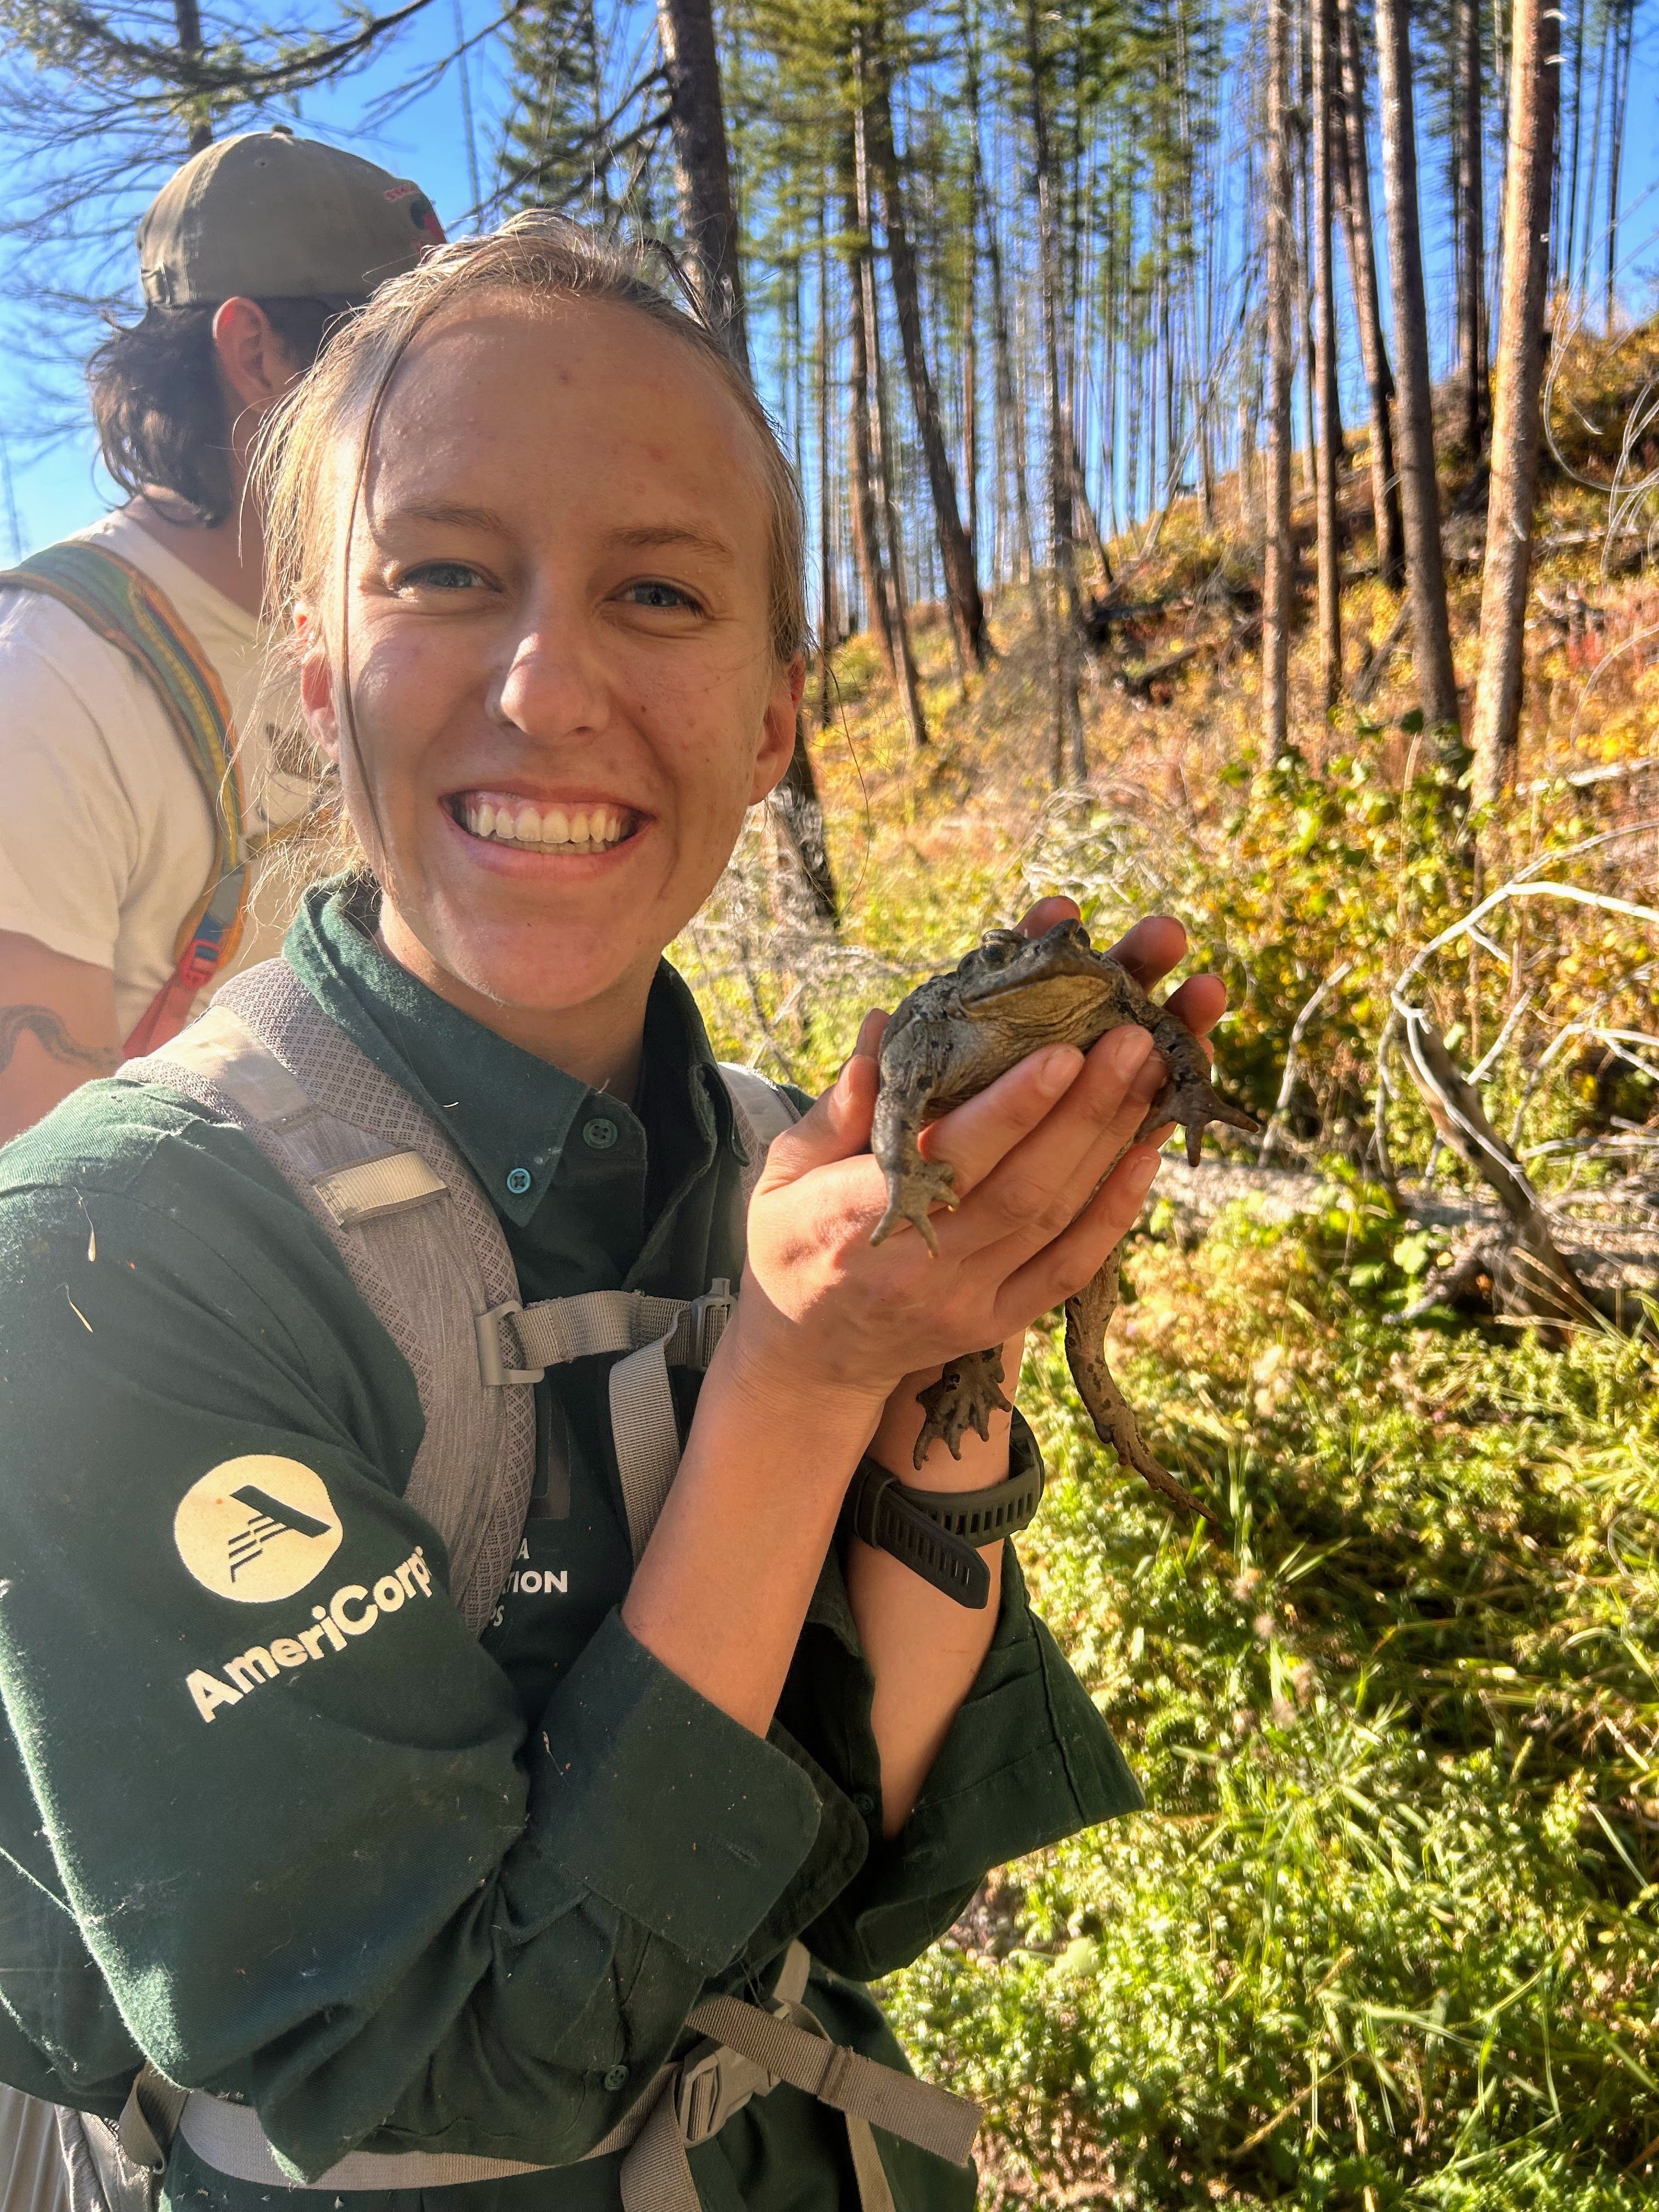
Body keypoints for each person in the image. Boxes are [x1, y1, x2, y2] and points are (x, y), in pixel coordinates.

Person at [0, 216, 1228, 2212]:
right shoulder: (110, 1258)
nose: (548, 683)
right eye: (446, 573)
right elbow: (451, 2064)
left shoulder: (768, 1157)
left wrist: (946, 1339)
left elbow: (886, 1861)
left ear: (771, 713)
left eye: (658, 590)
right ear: (316, 673)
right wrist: (797, 1373)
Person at [0, 128, 443, 1147]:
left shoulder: (372, 631)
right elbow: (44, 1221)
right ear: (255, 353)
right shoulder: (51, 678)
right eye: (400, 358)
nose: (457, 408)